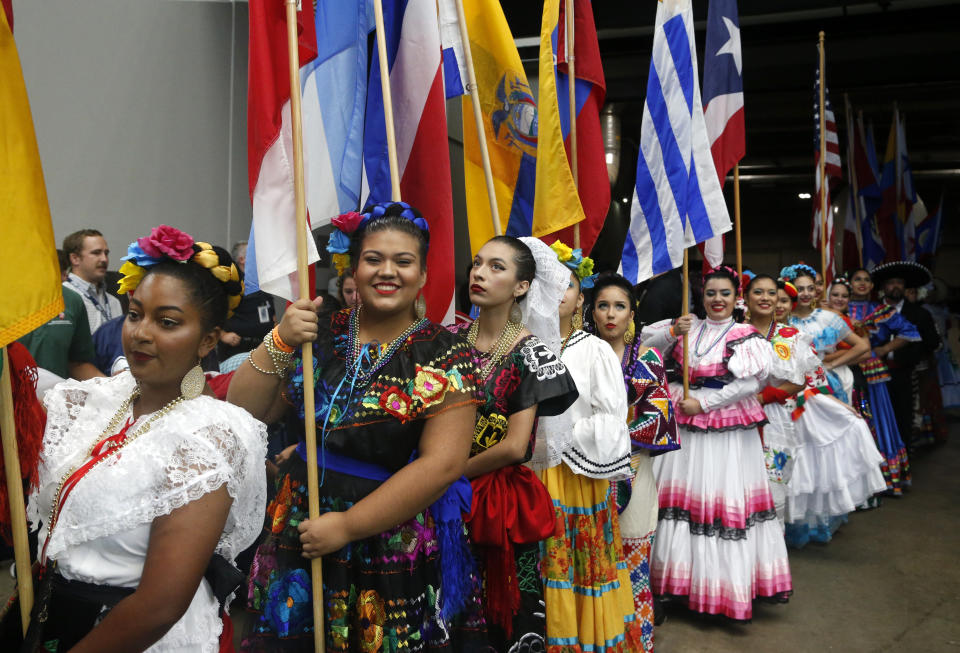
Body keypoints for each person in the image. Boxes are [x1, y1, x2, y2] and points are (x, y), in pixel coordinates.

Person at [228, 202, 485, 651]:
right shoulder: (320, 331)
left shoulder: (445, 353)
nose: (388, 271)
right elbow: (246, 410)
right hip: (301, 521)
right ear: (354, 267)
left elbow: (442, 465)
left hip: (386, 530)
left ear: (423, 274)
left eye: (403, 261)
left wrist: (347, 526)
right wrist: (281, 339)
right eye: (374, 259)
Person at [20, 225, 266, 651]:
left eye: (166, 322)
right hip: (56, 614)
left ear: (207, 340)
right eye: (135, 314)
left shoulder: (209, 436)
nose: (141, 333)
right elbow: (28, 386)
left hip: (134, 635)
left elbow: (160, 605)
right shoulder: (97, 399)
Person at [642, 265, 791, 621]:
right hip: (682, 421)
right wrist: (671, 334)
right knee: (679, 500)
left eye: (725, 293)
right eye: (711, 294)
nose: (717, 300)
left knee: (719, 500)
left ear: (736, 297)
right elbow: (646, 350)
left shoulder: (745, 334)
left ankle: (719, 589)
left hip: (723, 426)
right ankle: (675, 584)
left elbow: (751, 384)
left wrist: (704, 404)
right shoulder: (685, 325)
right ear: (701, 297)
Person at [450, 235, 577, 652]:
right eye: (477, 264)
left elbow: (515, 446)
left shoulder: (532, 355)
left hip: (493, 501)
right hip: (442, 494)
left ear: (522, 286)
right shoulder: (450, 341)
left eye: (497, 267)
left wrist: (444, 473)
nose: (480, 273)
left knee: (501, 613)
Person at [531, 244, 641, 652]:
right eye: (550, 284)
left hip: (573, 475)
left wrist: (559, 436)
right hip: (522, 470)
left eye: (569, 286)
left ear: (581, 298)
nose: (558, 292)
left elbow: (613, 420)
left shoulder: (593, 351)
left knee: (574, 562)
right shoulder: (520, 346)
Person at [748, 274, 886, 547]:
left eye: (775, 296)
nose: (770, 301)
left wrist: (839, 404)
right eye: (758, 293)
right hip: (740, 416)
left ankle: (771, 548)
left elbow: (812, 380)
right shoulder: (737, 332)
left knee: (780, 478)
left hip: (782, 415)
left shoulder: (795, 337)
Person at [587, 271, 679, 651]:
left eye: (619, 306)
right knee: (591, 562)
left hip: (635, 470)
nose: (610, 314)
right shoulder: (575, 354)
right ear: (590, 312)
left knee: (633, 560)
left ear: (632, 315)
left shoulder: (648, 358)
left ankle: (635, 644)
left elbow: (659, 417)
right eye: (602, 305)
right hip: (585, 472)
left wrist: (614, 436)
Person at [843, 267, 917, 493]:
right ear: (849, 284)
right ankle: (854, 480)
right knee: (851, 416)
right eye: (857, 279)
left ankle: (884, 477)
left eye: (866, 280)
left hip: (873, 372)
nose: (862, 283)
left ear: (873, 286)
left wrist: (884, 348)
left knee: (877, 417)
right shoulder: (839, 307)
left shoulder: (880, 309)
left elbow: (910, 332)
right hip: (845, 368)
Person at [868, 261, 940, 451]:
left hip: (905, 374)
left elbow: (932, 343)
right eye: (891, 282)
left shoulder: (919, 313)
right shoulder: (871, 311)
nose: (896, 286)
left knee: (904, 416)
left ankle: (903, 459)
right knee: (875, 416)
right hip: (873, 374)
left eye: (900, 282)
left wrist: (912, 356)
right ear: (883, 287)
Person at [781, 264, 870, 404]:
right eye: (800, 289)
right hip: (793, 383)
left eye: (810, 288)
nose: (806, 294)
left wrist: (832, 364)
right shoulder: (783, 320)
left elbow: (862, 346)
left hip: (827, 382)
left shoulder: (828, 317)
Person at [217, 240, 277, 362]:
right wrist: (223, 336)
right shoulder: (231, 283)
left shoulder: (262, 282)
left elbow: (272, 315)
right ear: (242, 259)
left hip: (262, 348)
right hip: (236, 349)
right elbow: (213, 313)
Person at [62, 229, 123, 333]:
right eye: (96, 253)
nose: (104, 259)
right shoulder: (62, 297)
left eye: (106, 253)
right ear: (75, 258)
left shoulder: (114, 302)